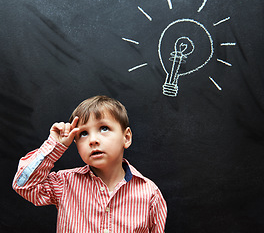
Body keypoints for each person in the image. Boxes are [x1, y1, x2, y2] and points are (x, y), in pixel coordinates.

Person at [13, 95, 167, 232]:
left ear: (126, 138)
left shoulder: (150, 194)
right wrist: (55, 145)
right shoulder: (64, 183)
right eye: (83, 133)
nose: (93, 140)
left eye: (104, 128)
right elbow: (23, 185)